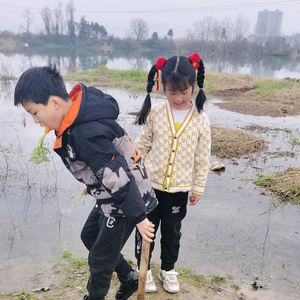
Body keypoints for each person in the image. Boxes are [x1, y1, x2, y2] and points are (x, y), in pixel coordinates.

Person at [14, 65, 158, 300]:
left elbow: (118, 176)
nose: (34, 120)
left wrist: (139, 218)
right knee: (89, 237)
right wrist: (91, 184)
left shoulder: (84, 133)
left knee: (100, 260)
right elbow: (102, 162)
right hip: (110, 191)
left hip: (127, 200)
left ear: (54, 103)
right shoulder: (74, 119)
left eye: (34, 112)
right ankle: (128, 277)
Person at [134, 53, 211, 294]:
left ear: (194, 85)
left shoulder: (201, 119)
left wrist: (198, 188)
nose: (178, 98)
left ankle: (167, 269)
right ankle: (143, 269)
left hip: (178, 191)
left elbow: (202, 157)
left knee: (172, 231)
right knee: (147, 231)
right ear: (162, 87)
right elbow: (141, 147)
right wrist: (133, 177)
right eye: (171, 92)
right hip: (149, 187)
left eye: (184, 91)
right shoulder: (156, 113)